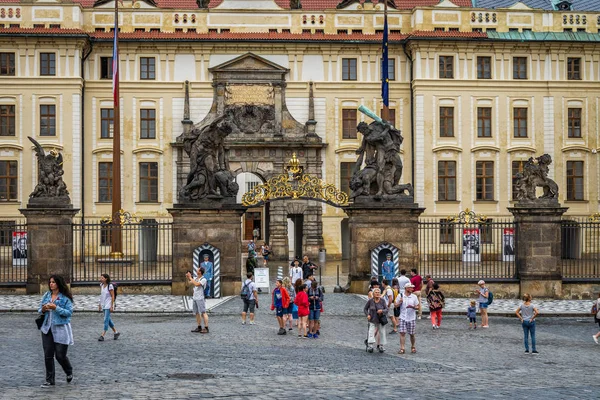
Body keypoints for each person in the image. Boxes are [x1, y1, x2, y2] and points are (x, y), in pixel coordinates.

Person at [38, 275, 74, 388]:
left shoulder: (65, 298)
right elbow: (40, 309)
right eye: (50, 282)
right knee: (48, 355)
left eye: (53, 282)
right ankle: (50, 380)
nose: (51, 284)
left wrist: (55, 308)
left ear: (58, 283)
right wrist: (43, 309)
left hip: (61, 328)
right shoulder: (47, 295)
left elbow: (69, 313)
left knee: (60, 355)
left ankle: (68, 370)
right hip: (47, 328)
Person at [396, 283, 420, 354]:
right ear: (406, 288)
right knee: (402, 333)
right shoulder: (400, 295)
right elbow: (395, 305)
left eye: (412, 288)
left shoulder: (414, 297)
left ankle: (413, 346)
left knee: (412, 334)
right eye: (411, 288)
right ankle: (402, 348)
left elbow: (418, 306)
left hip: (411, 318)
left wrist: (413, 307)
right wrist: (399, 302)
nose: (412, 289)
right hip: (403, 317)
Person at [363, 287, 388, 353]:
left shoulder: (382, 301)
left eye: (378, 292)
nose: (377, 294)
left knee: (382, 332)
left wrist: (382, 311)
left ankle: (381, 346)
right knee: (371, 332)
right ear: (373, 294)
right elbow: (365, 309)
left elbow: (387, 309)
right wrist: (367, 315)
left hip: (380, 319)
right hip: (372, 319)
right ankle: (370, 346)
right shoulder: (370, 301)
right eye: (376, 292)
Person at [98, 273, 120, 341]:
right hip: (104, 304)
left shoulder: (110, 286)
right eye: (100, 278)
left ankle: (102, 335)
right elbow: (101, 295)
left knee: (106, 320)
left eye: (102, 278)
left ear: (106, 279)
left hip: (108, 304)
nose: (100, 279)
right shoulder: (101, 285)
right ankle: (116, 332)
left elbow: (112, 296)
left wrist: (112, 306)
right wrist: (99, 304)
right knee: (108, 320)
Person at [186, 267, 209, 333]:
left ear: (200, 272)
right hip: (195, 297)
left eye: (197, 270)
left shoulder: (203, 279)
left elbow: (197, 284)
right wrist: (188, 277)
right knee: (196, 313)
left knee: (203, 312)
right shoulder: (196, 278)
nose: (196, 271)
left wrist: (190, 278)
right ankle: (199, 327)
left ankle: (206, 327)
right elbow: (188, 284)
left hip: (200, 298)